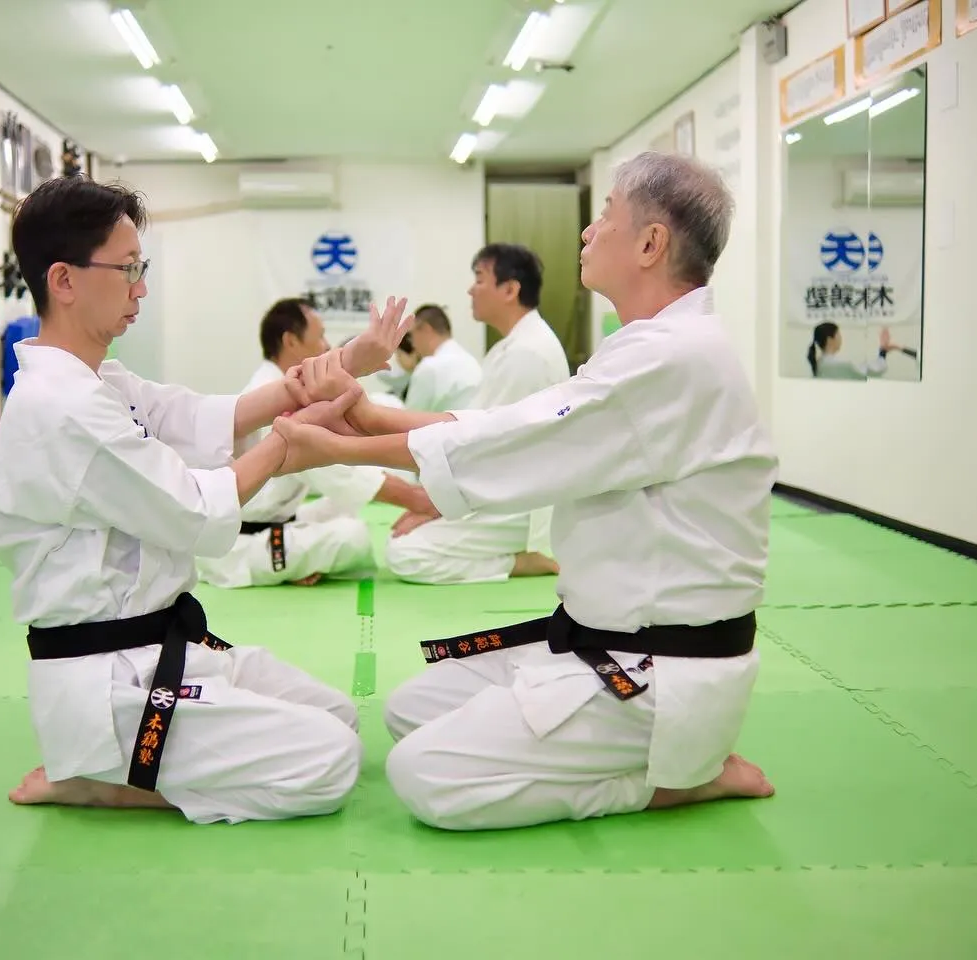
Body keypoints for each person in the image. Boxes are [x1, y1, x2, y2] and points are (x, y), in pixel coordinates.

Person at [269, 151, 778, 831]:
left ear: (652, 243)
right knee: (407, 710)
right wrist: (364, 416)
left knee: (425, 777)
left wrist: (344, 441)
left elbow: (517, 442)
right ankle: (644, 756)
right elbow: (508, 427)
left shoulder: (671, 356)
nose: (586, 234)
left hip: (656, 671)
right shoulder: (653, 346)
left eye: (604, 218)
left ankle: (668, 782)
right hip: (601, 634)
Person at [0, 175, 408, 823]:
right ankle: (100, 776)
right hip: (112, 682)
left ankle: (114, 768)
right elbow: (195, 511)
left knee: (337, 715)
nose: (140, 288)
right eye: (126, 270)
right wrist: (292, 445)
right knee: (330, 762)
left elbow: (211, 417)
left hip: (165, 645)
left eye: (140, 268)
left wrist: (348, 362)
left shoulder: (101, 382)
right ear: (63, 281)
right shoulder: (61, 408)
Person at [195, 297, 432, 589]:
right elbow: (340, 473)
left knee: (344, 508)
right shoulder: (269, 398)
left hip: (276, 518)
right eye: (319, 336)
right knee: (354, 536)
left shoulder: (278, 388)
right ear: (291, 341)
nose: (325, 346)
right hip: (241, 546)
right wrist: (418, 499)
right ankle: (283, 564)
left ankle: (297, 558)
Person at [384, 245, 569, 584]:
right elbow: (473, 435)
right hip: (498, 488)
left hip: (519, 504)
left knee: (405, 553)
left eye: (480, 279)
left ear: (510, 290)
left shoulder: (527, 353)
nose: (471, 289)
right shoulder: (510, 348)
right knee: (400, 539)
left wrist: (440, 504)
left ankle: (519, 561)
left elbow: (487, 447)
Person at [401, 304, 483, 413]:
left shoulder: (430, 366)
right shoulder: (471, 362)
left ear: (426, 329)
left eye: (411, 335)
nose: (413, 345)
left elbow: (408, 419)